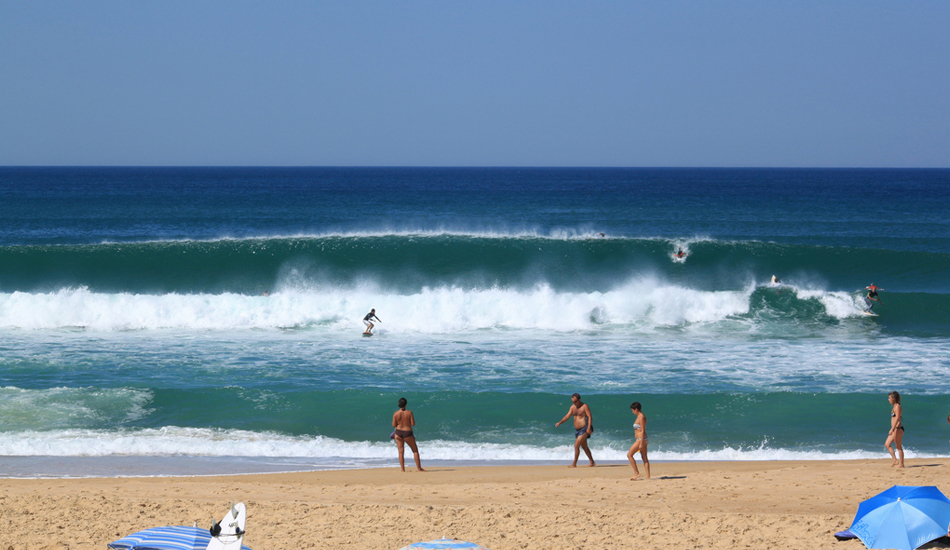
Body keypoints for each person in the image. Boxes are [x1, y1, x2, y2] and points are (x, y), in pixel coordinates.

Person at [555, 393, 595, 467]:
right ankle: (592, 462)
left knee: (576, 445)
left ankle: (574, 464)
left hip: (584, 429)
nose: (574, 403)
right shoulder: (573, 407)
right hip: (577, 430)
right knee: (584, 447)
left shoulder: (584, 406)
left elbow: (589, 417)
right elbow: (567, 416)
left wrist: (589, 428)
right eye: (573, 401)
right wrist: (560, 422)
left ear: (579, 400)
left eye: (575, 401)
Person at [392, 397, 424, 472]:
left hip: (398, 433)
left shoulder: (396, 413)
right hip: (407, 433)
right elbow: (413, 424)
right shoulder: (409, 412)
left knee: (400, 452)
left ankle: (403, 469)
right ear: (406, 404)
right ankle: (419, 468)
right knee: (415, 451)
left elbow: (394, 425)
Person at [627, 401, 651, 481]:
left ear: (636, 409)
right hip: (642, 439)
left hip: (641, 439)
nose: (632, 412)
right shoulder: (639, 416)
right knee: (644, 457)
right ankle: (647, 476)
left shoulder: (641, 417)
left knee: (629, 455)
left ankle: (636, 473)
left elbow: (642, 431)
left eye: (632, 410)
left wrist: (640, 443)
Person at [885, 391, 904, 468]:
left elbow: (898, 418)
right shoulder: (894, 406)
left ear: (893, 398)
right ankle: (895, 460)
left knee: (898, 447)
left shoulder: (897, 407)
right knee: (887, 444)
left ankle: (902, 464)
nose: (888, 399)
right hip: (894, 429)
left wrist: (892, 429)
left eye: (889, 398)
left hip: (897, 429)